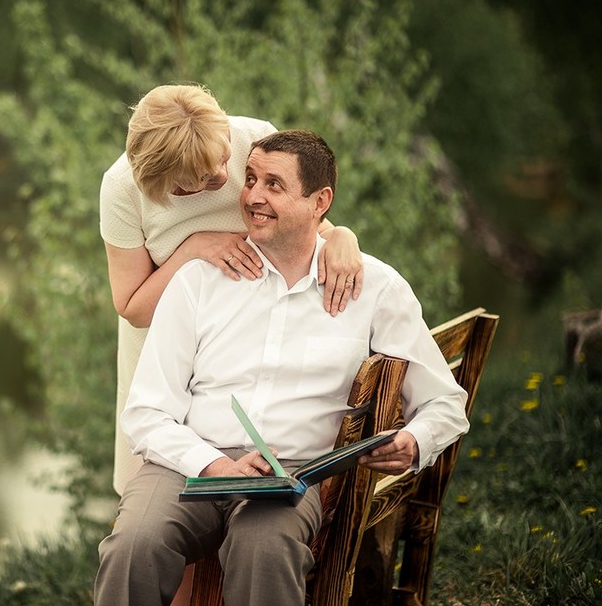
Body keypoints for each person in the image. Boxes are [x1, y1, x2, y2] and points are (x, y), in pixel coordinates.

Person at [94, 130, 470, 606]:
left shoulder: (375, 288)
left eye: (274, 184)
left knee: (263, 549)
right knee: (133, 545)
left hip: (292, 476)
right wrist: (216, 466)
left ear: (320, 201)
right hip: (188, 465)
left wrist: (415, 442)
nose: (252, 195)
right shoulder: (198, 279)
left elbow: (445, 402)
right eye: (249, 179)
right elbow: (146, 411)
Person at [100, 84, 364, 497]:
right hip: (166, 352)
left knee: (257, 486)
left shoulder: (252, 138)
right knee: (163, 493)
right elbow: (132, 306)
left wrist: (344, 236)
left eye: (224, 159)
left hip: (247, 345)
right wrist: (193, 248)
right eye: (202, 181)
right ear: (163, 183)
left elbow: (306, 219)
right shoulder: (121, 189)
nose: (225, 178)